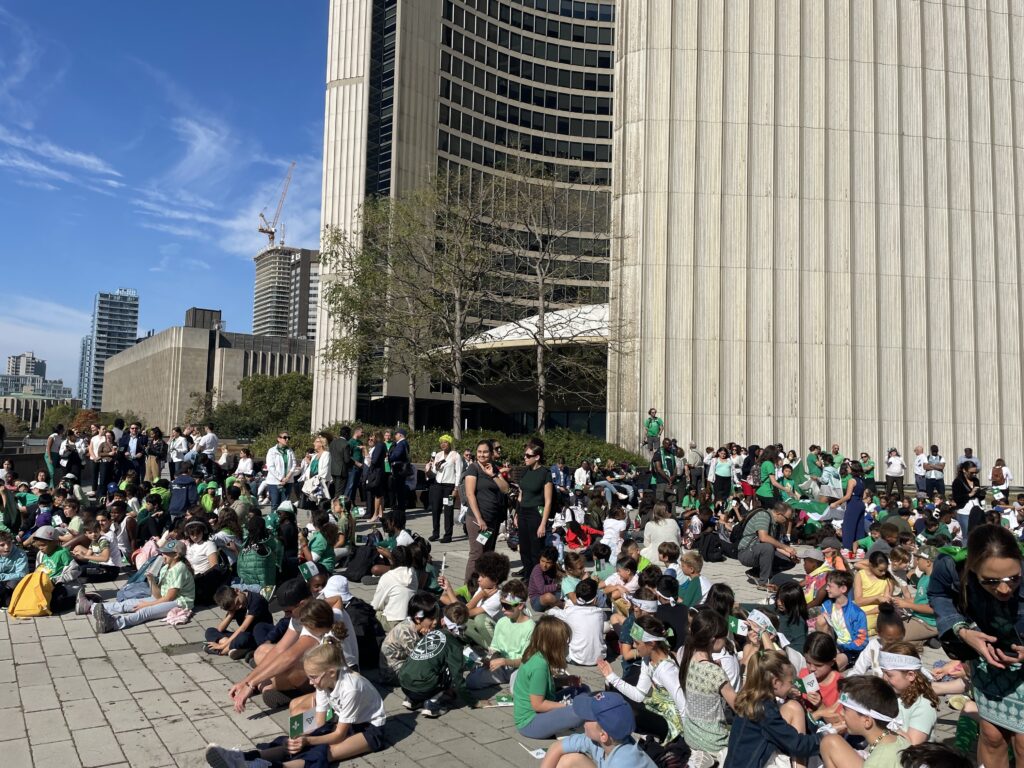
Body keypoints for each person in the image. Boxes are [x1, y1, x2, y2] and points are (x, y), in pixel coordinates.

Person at [207, 636, 387, 768]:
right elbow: (320, 720)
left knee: (324, 753)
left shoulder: (351, 688)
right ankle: (243, 757)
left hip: (369, 730)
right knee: (290, 741)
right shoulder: (325, 681)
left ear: (331, 672)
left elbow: (339, 735)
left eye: (313, 677)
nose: (310, 682)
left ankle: (268, 767)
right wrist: (299, 737)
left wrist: (308, 741)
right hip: (341, 720)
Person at [929, 524, 1024, 768]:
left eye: (1013, 579)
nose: (1004, 589)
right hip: (987, 662)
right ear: (971, 569)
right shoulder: (952, 566)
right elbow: (938, 595)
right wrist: (962, 630)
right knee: (992, 736)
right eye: (991, 581)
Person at [723, 649, 822, 768]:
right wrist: (824, 737)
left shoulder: (752, 699)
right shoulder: (764, 710)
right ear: (776, 683)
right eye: (790, 682)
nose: (792, 686)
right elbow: (797, 745)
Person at [597, 615, 684, 744]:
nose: (633, 645)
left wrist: (689, 740)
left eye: (637, 643)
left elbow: (683, 705)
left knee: (625, 711)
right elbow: (639, 695)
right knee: (614, 699)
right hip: (657, 710)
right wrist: (612, 677)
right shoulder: (647, 660)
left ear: (652, 643)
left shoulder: (666, 670)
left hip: (672, 724)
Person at [91, 539, 195, 632]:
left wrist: (147, 604)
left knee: (144, 612)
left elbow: (169, 598)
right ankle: (93, 607)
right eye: (162, 552)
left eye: (166, 553)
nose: (162, 555)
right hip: (165, 598)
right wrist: (151, 580)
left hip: (179, 602)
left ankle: (114, 623)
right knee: (130, 603)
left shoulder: (179, 569)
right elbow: (158, 596)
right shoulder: (165, 567)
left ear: (176, 555)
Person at [398, 601, 480, 717]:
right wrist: (474, 702)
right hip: (423, 687)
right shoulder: (454, 646)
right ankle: (434, 703)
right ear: (464, 627)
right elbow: (457, 678)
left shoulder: (432, 633)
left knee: (429, 664)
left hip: (404, 682)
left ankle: (412, 700)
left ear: (442, 621)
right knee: (450, 672)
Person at [514, 614, 589, 740]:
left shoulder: (536, 654)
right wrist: (567, 706)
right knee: (579, 711)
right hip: (531, 722)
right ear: (553, 644)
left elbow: (541, 685)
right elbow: (538, 705)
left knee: (583, 690)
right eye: (564, 642)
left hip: (540, 711)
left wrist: (565, 681)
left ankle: (566, 721)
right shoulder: (539, 665)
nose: (567, 646)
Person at [539, 691, 657, 768]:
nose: (583, 719)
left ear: (603, 735)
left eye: (588, 718)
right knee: (568, 760)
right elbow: (557, 747)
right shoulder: (603, 741)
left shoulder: (622, 762)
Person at [818, 676, 908, 768]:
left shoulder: (875, 763)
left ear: (867, 721)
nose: (841, 712)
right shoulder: (898, 737)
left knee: (828, 742)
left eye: (845, 709)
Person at [466, 580, 535, 689]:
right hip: (503, 667)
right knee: (471, 681)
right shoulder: (502, 622)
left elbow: (527, 661)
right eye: (502, 604)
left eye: (507, 606)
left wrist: (505, 661)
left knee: (517, 690)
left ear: (520, 606)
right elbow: (494, 648)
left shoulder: (531, 628)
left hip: (520, 668)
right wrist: (489, 660)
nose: (503, 609)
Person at [463, 439, 510, 582]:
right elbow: (470, 494)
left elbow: (506, 489)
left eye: (485, 452)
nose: (482, 455)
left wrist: (493, 475)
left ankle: (484, 585)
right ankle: (468, 588)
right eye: (479, 452)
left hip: (492, 519)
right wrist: (479, 518)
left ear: (491, 453)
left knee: (488, 554)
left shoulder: (494, 468)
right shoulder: (473, 468)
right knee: (477, 554)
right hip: (477, 520)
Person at [879, 643, 938, 745]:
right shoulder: (892, 694)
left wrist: (881, 722)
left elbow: (912, 744)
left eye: (889, 675)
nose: (884, 678)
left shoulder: (923, 706)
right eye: (883, 672)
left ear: (910, 675)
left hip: (912, 758)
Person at [379, 591, 440, 684]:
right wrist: (427, 638)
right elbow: (420, 659)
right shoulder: (405, 632)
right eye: (431, 618)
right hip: (392, 672)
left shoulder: (418, 626)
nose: (435, 622)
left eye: (436, 617)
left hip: (405, 662)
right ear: (418, 619)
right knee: (429, 676)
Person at [204, 585, 275, 660]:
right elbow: (220, 629)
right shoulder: (235, 606)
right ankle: (235, 648)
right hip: (245, 635)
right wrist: (231, 613)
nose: (239, 606)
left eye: (238, 602)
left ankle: (222, 651)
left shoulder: (256, 600)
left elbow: (243, 628)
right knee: (210, 631)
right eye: (235, 607)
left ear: (237, 591)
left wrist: (221, 646)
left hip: (258, 637)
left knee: (242, 637)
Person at [738, 502, 797, 589]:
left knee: (789, 561)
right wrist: (785, 547)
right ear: (778, 513)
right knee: (767, 547)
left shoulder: (777, 524)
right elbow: (763, 537)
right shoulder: (763, 515)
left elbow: (775, 545)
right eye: (787, 518)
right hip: (746, 552)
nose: (787, 522)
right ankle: (764, 583)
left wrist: (790, 554)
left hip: (761, 550)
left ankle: (756, 572)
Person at [518, 436, 554, 579]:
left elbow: (548, 501)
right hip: (523, 512)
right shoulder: (526, 471)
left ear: (537, 457)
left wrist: (543, 524)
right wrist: (516, 514)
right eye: (525, 455)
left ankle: (536, 578)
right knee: (524, 548)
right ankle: (527, 575)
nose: (525, 458)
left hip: (536, 513)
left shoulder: (545, 473)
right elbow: (521, 494)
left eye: (528, 455)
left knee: (535, 549)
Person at [815, 570, 868, 668]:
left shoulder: (857, 613)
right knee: (821, 619)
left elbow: (862, 640)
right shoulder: (827, 606)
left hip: (849, 650)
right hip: (832, 647)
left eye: (830, 586)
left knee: (830, 667)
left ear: (843, 588)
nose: (826, 589)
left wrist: (842, 647)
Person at [549, 578, 606, 666]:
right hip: (600, 658)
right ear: (595, 599)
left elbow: (551, 613)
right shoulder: (600, 613)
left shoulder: (571, 611)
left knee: (556, 623)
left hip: (577, 659)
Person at [888, 546, 938, 642]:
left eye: (918, 559)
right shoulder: (924, 577)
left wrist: (907, 604)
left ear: (928, 562)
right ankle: (924, 640)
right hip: (917, 617)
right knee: (887, 628)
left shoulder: (934, 581)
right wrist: (902, 601)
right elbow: (920, 599)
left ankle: (924, 639)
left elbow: (933, 608)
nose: (916, 561)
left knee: (892, 637)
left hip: (928, 623)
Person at [426, 433, 462, 543]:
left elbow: (458, 473)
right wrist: (435, 468)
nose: (443, 444)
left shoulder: (456, 455)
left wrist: (456, 489)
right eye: (441, 443)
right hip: (437, 486)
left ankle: (448, 535)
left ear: (450, 443)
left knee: (448, 510)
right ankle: (435, 533)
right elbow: (435, 472)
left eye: (445, 442)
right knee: (435, 509)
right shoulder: (438, 455)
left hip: (449, 487)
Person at [854, 552, 894, 636]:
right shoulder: (861, 575)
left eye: (885, 570)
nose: (883, 573)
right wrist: (877, 598)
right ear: (871, 566)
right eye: (880, 570)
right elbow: (858, 601)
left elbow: (885, 606)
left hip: (876, 612)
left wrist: (867, 613)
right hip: (860, 609)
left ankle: (871, 631)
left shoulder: (887, 579)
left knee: (864, 623)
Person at [832, 460, 868, 551]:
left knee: (848, 526)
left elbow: (848, 496)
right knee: (859, 527)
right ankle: (860, 549)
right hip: (861, 504)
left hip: (853, 504)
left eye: (848, 467)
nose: (847, 468)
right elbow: (864, 495)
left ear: (852, 469)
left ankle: (847, 548)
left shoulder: (851, 480)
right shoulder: (861, 480)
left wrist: (836, 503)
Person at [265, 431, 298, 513]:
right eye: (285, 437)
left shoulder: (290, 450)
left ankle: (283, 523)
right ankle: (274, 523)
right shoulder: (272, 451)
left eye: (288, 438)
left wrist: (287, 478)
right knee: (275, 504)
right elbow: (270, 467)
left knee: (285, 505)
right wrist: (281, 478)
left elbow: (294, 464)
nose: (287, 439)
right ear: (278, 439)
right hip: (274, 482)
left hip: (288, 481)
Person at [951, 461, 985, 537]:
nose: (974, 474)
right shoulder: (957, 482)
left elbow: (979, 497)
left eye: (975, 472)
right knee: (967, 535)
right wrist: (970, 494)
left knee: (978, 534)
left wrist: (981, 493)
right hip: (965, 511)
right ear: (964, 470)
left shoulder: (976, 480)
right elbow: (957, 499)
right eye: (971, 472)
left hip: (977, 509)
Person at [0, 530, 29, 608]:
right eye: (2, 545)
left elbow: (22, 574)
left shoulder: (20, 554)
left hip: (13, 582)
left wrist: (2, 577)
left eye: (9, 543)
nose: (7, 547)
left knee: (8, 603)